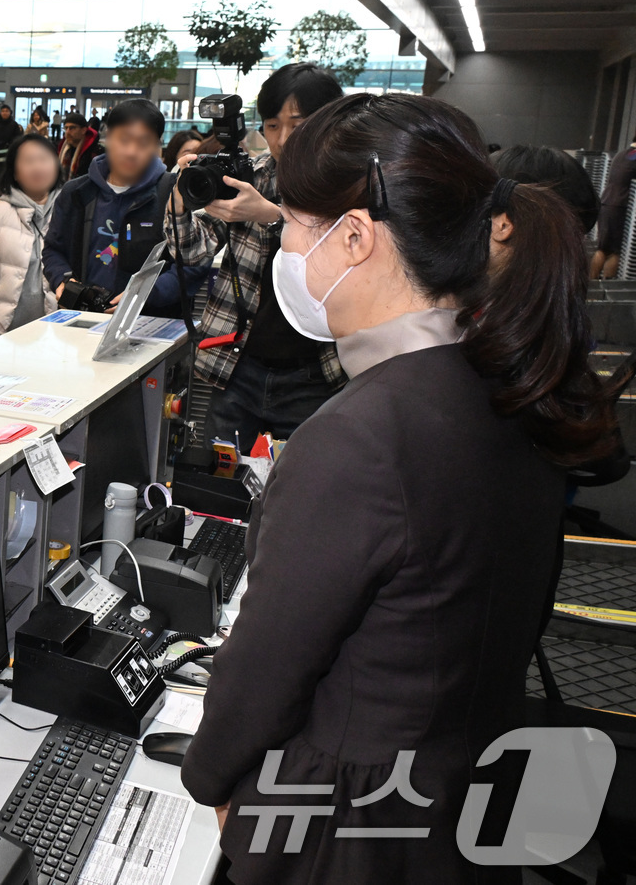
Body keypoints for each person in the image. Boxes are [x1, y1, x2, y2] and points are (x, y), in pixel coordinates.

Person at [179, 92, 626, 885]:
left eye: (293, 224)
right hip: (451, 807)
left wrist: (212, 779)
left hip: (346, 831)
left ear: (354, 237)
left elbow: (265, 669)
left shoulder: (361, 437)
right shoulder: (505, 385)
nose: (285, 246)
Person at [169, 62, 346, 444]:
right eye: (272, 125)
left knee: (302, 475)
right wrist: (180, 202)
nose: (283, 139)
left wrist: (272, 216)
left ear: (328, 122)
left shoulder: (347, 187)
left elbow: (340, 257)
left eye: (297, 125)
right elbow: (192, 251)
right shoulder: (252, 176)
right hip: (238, 365)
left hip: (315, 372)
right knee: (219, 471)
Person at [42, 99, 179, 317]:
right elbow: (53, 249)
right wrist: (63, 280)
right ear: (108, 138)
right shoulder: (76, 192)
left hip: (149, 322)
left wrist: (146, 294)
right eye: (124, 140)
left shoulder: (172, 193)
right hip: (83, 319)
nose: (132, 151)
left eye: (144, 143)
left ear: (157, 145)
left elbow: (191, 265)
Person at [0, 134, 63, 342]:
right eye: (28, 161)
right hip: (4, 330)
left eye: (44, 159)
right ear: (15, 172)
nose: (37, 167)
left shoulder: (70, 210)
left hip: (59, 331)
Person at [595, 130, 636, 279]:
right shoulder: (634, 155)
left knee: (602, 248)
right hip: (618, 207)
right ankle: (606, 284)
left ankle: (591, 285)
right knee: (614, 251)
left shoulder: (622, 154)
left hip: (606, 203)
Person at [56, 111, 102, 179]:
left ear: (83, 130)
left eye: (72, 128)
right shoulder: (62, 149)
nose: (67, 132)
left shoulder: (95, 153)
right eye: (66, 128)